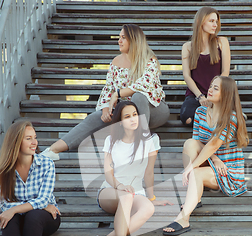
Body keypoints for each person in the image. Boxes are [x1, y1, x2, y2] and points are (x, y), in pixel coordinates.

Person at [41, 24, 170, 161]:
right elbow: (108, 89)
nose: (119, 41)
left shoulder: (149, 60)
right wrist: (104, 109)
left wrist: (118, 94)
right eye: (119, 37)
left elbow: (144, 84)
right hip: (126, 113)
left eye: (123, 38)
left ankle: (139, 145)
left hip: (154, 111)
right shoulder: (116, 62)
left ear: (133, 40)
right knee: (94, 118)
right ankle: (53, 150)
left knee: (138, 97)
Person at [83, 101, 172, 236]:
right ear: (119, 121)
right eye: (127, 116)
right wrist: (119, 185)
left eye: (135, 115)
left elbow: (149, 172)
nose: (133, 119)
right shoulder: (111, 140)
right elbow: (108, 172)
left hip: (136, 192)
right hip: (110, 191)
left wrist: (151, 197)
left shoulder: (151, 140)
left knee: (148, 209)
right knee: (125, 195)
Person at [163, 76, 248, 236]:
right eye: (211, 85)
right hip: (212, 163)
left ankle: (183, 219)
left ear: (226, 94)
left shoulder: (232, 117)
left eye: (216, 88)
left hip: (228, 171)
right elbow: (198, 143)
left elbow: (214, 144)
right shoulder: (200, 112)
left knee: (195, 172)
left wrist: (190, 168)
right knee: (189, 143)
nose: (210, 89)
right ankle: (195, 197)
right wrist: (215, 159)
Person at [180, 6, 231, 126]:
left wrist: (213, 94)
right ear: (200, 21)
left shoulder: (222, 42)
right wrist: (201, 96)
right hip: (196, 95)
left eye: (216, 22)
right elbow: (187, 76)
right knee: (187, 119)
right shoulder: (187, 47)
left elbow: (225, 72)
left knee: (223, 119)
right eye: (211, 21)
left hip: (218, 93)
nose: (215, 25)